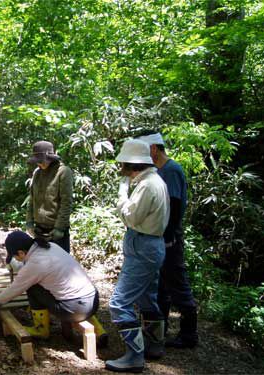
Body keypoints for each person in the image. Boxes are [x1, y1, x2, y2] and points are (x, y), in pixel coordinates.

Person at [106, 139, 170, 373]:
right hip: (150, 244)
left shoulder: (147, 185)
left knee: (118, 303)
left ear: (132, 164)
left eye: (123, 164)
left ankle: (134, 356)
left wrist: (122, 196)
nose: (121, 169)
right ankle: (155, 345)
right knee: (146, 298)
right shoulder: (154, 180)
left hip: (143, 246)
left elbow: (131, 218)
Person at [0, 230, 107, 345]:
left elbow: (15, 288)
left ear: (21, 252)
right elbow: (32, 269)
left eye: (15, 256)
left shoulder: (35, 263)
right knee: (68, 292)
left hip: (74, 309)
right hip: (93, 301)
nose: (15, 258)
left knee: (33, 287)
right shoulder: (51, 246)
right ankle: (99, 330)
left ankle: (40, 330)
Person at [137, 131, 198, 349]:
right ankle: (158, 330)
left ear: (153, 149)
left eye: (144, 151)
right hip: (158, 237)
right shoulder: (157, 171)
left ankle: (189, 334)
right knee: (160, 285)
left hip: (169, 238)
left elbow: (173, 206)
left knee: (177, 283)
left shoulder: (171, 170)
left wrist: (169, 237)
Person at [26, 141, 73, 252]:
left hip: (57, 231)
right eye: (38, 162)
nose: (40, 164)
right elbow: (32, 199)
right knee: (42, 265)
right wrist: (29, 221)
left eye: (42, 161)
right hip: (39, 229)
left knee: (60, 265)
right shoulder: (37, 173)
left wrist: (59, 228)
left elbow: (66, 202)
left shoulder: (63, 172)